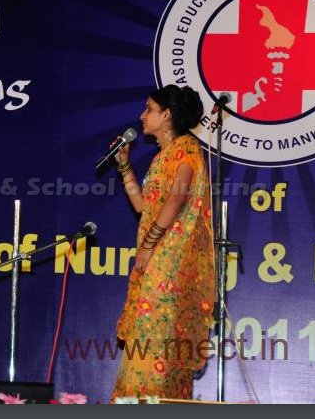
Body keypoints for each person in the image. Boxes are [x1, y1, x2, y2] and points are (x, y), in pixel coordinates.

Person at [110, 84, 215, 401]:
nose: (142, 116)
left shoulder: (187, 150)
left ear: (167, 115)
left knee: (158, 343)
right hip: (155, 263)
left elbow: (176, 200)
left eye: (149, 109)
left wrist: (149, 244)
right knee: (147, 338)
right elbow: (145, 207)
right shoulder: (162, 157)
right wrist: (125, 167)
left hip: (169, 266)